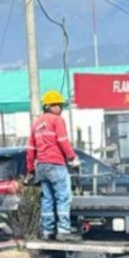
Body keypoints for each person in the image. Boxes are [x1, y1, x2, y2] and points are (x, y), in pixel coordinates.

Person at [26, 90, 81, 242]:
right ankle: (63, 231)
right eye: (58, 105)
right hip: (56, 164)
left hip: (41, 166)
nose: (60, 108)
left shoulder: (36, 123)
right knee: (63, 197)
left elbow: (30, 149)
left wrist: (30, 169)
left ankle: (47, 231)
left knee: (47, 199)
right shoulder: (57, 120)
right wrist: (73, 157)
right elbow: (63, 141)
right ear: (50, 106)